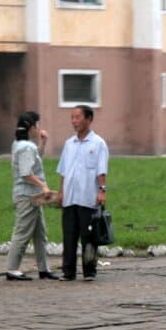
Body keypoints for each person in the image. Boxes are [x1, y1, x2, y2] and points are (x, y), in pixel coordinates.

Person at [56, 105, 109, 282]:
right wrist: (61, 192)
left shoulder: (98, 143)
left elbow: (101, 170)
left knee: (89, 237)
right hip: (70, 198)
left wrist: (102, 191)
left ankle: (89, 271)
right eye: (72, 118)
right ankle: (68, 271)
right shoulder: (69, 144)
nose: (74, 121)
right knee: (69, 236)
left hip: (88, 197)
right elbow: (63, 171)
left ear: (88, 119)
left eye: (78, 117)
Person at [5, 112, 59, 281]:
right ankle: (12, 269)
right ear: (32, 127)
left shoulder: (21, 144)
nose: (39, 128)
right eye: (37, 124)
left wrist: (43, 143)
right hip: (28, 196)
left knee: (40, 234)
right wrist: (43, 185)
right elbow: (26, 173)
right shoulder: (25, 147)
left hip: (32, 196)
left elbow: (35, 161)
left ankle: (44, 269)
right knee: (22, 231)